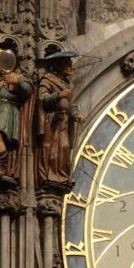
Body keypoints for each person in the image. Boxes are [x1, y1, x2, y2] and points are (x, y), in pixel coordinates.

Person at [0, 48, 34, 183]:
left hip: (8, 110)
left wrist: (17, 81)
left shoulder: (16, 77)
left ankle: (2, 167)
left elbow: (28, 91)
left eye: (1, 61)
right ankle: (0, 166)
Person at [35, 50, 85, 188]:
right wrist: (58, 95)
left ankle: (62, 176)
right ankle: (48, 175)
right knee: (50, 148)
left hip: (64, 121)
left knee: (64, 147)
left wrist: (76, 114)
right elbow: (42, 98)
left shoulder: (66, 84)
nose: (71, 67)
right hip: (52, 120)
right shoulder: (47, 79)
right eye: (68, 64)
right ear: (59, 66)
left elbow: (71, 104)